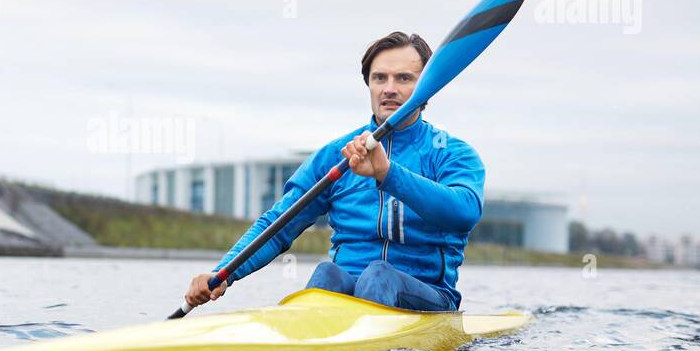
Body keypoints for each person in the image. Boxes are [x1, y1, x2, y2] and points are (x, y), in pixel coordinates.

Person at [185, 31, 485, 313]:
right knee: (327, 274)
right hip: (347, 297)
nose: (389, 88)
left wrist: (387, 173)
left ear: (427, 87)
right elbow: (279, 225)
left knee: (379, 275)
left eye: (404, 78)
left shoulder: (451, 153)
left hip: (429, 298)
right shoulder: (336, 154)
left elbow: (464, 211)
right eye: (379, 78)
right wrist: (224, 273)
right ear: (369, 84)